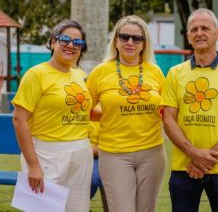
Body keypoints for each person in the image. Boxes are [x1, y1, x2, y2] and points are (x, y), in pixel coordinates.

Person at [161, 8, 218, 212]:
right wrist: (193, 153)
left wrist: (205, 160)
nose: (199, 33)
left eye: (205, 28)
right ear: (188, 37)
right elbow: (168, 119)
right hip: (184, 168)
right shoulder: (175, 74)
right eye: (194, 29)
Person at [86, 15, 166, 212]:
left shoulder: (155, 72)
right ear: (116, 41)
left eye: (136, 38)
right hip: (114, 154)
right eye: (124, 37)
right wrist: (108, 116)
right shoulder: (101, 72)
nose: (130, 42)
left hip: (152, 152)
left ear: (143, 44)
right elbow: (83, 109)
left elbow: (166, 110)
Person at [12, 20, 93, 212]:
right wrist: (33, 165)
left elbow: (85, 112)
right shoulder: (36, 74)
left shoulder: (80, 75)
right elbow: (19, 119)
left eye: (77, 43)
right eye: (65, 39)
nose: (71, 45)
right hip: (46, 155)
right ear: (52, 41)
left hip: (81, 152)